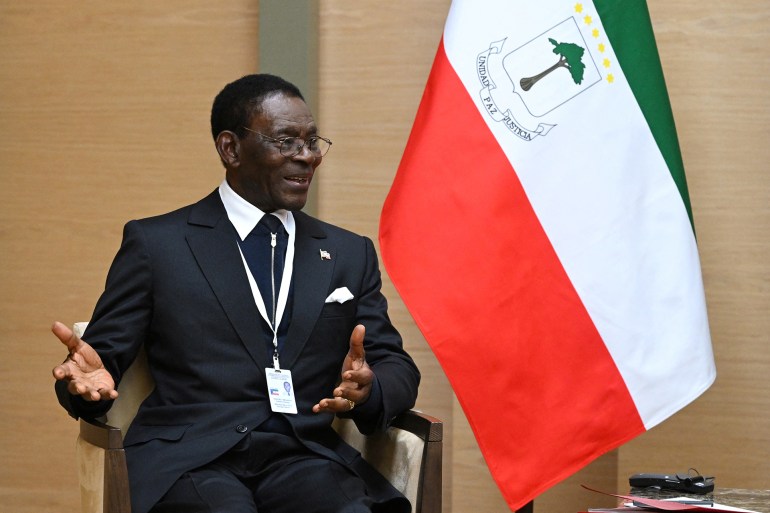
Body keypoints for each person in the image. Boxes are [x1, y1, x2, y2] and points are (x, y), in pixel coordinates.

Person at [51, 73, 420, 513]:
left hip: (303, 456)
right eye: (287, 141)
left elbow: (394, 363)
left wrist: (370, 388)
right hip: (190, 459)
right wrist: (84, 385)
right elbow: (96, 364)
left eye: (313, 141)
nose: (308, 158)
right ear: (231, 149)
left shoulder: (346, 253)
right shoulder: (158, 244)